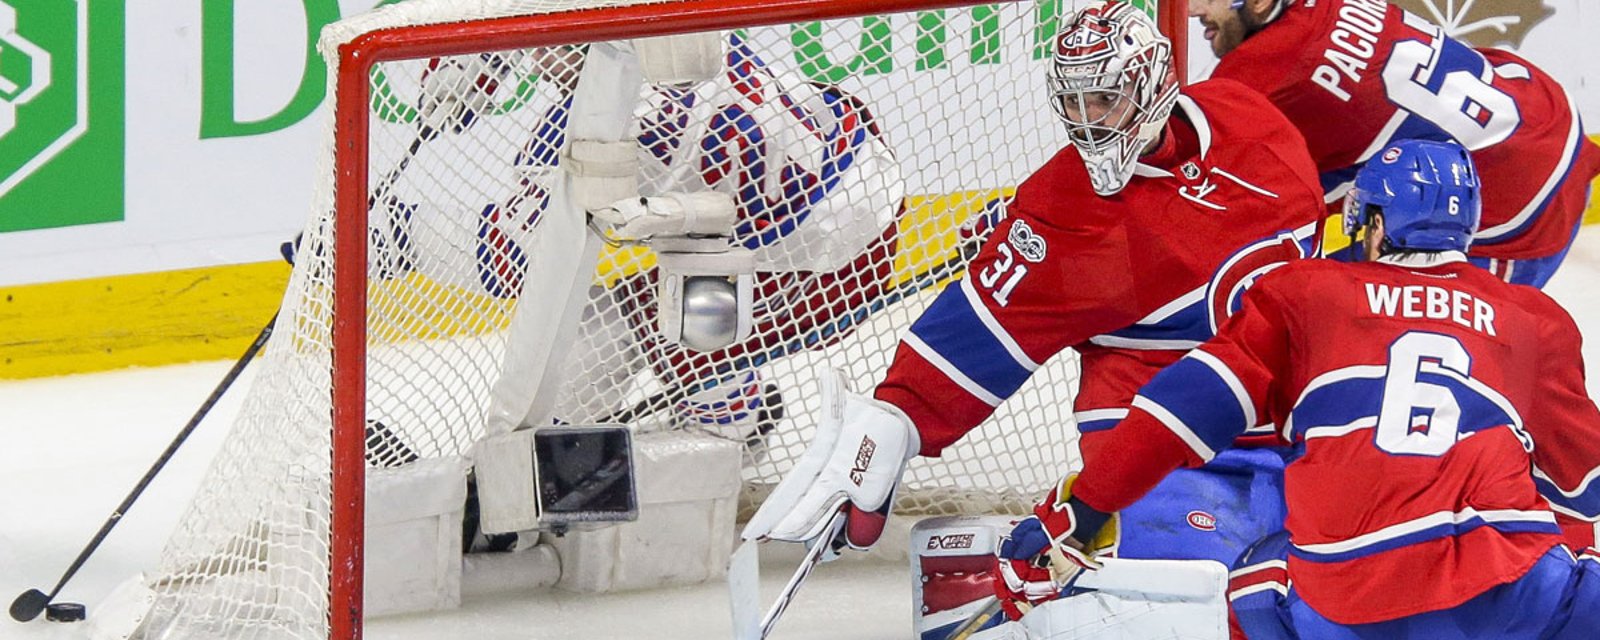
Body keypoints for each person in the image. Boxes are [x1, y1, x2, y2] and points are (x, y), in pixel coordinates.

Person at [743, 0, 1326, 579]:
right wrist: (895, 420)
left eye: (1103, 98)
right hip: (1158, 445)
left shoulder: (1250, 119)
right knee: (1212, 596)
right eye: (1073, 102)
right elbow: (977, 333)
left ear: (1151, 86)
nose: (1089, 120)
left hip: (1308, 415)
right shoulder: (1065, 214)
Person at [994, 138, 1600, 638]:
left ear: (1374, 223)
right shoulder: (1534, 319)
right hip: (1514, 596)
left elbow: (1180, 410)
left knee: (1254, 578)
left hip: (1350, 602)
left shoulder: (1304, 290)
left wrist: (1083, 506)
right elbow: (1583, 486)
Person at [1189, 0, 1600, 290]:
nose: (1192, 10)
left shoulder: (1260, 78)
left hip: (1524, 208)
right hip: (1544, 112)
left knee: (1331, 317)